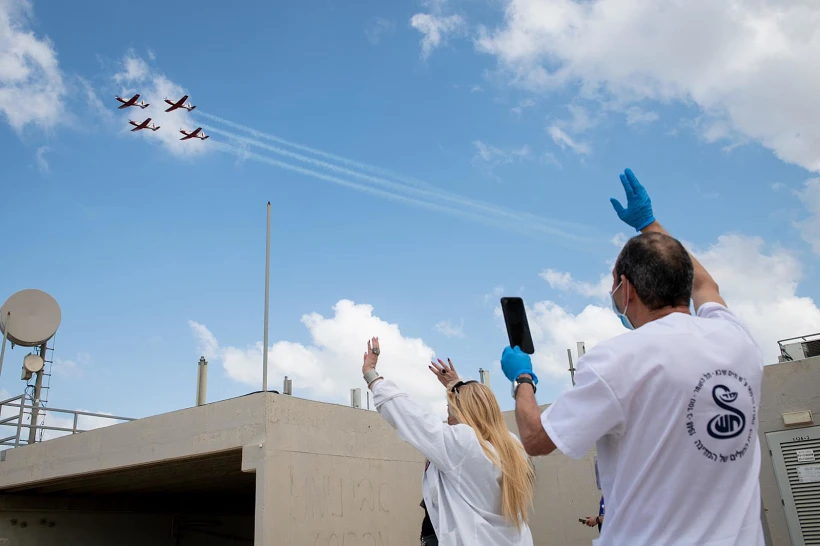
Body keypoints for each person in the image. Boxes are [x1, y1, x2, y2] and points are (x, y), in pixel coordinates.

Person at [501, 169, 765, 545]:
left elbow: (536, 439)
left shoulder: (617, 361)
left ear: (626, 289)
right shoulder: (736, 340)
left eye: (613, 282)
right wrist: (649, 224)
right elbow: (706, 284)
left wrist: (522, 379)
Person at [362, 337, 535, 546]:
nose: (448, 415)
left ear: (464, 411)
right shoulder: (512, 446)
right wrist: (456, 386)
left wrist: (371, 373)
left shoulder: (463, 444)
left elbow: (409, 415)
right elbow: (477, 414)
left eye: (450, 409)